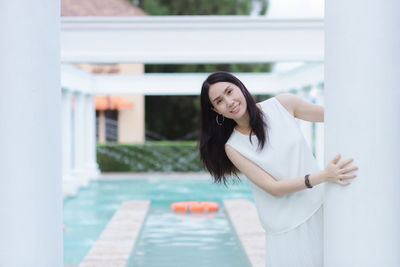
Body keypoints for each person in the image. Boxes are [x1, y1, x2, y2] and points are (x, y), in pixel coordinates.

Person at [198, 71, 358, 267]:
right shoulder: (233, 147)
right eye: (220, 101)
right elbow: (273, 188)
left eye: (230, 91)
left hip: (319, 207)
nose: (229, 101)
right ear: (216, 111)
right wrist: (323, 176)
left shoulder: (282, 104)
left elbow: (333, 116)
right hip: (287, 227)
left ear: (240, 87)